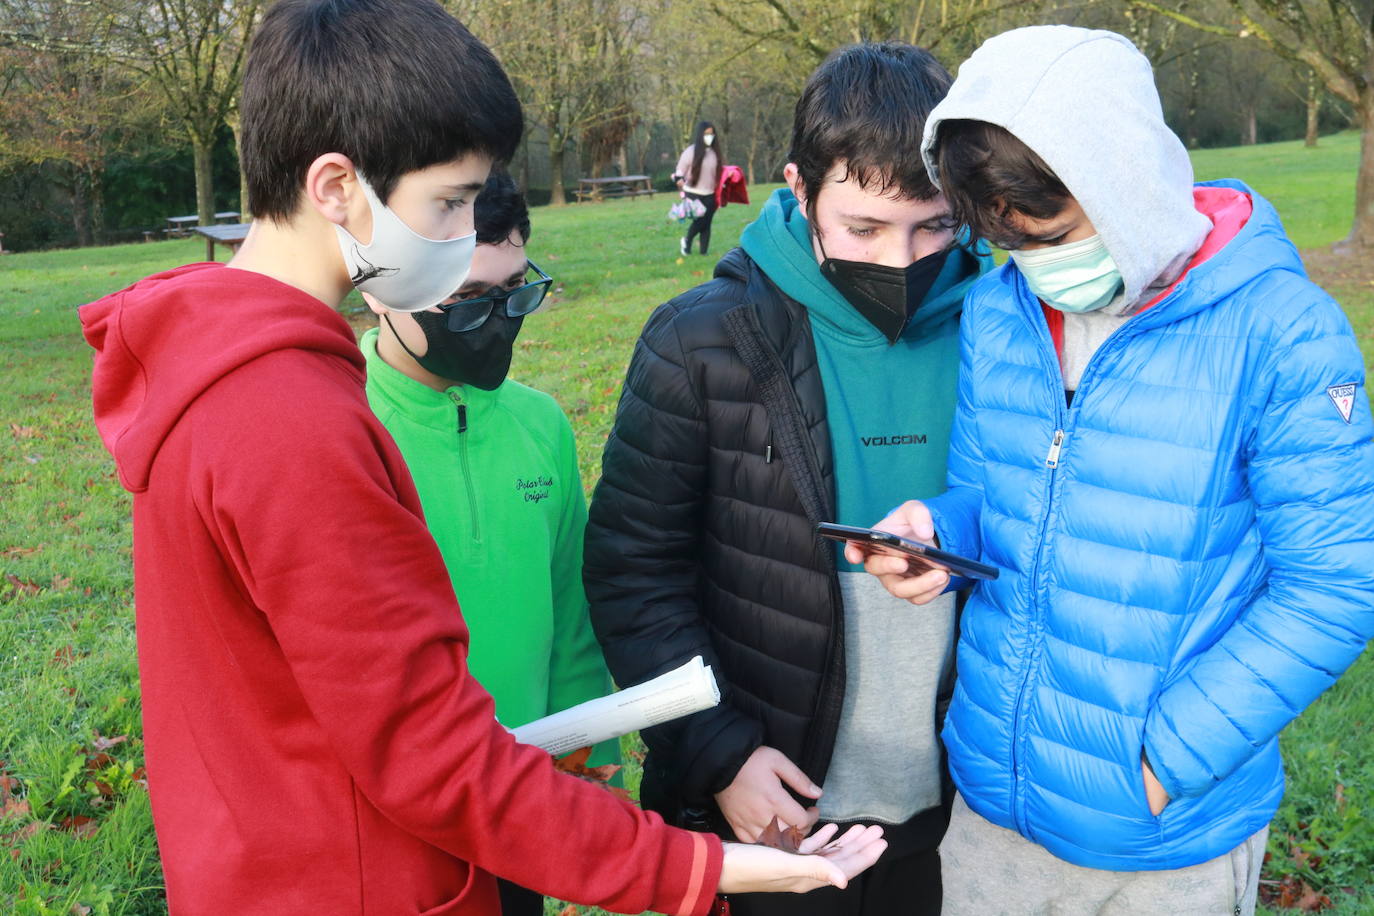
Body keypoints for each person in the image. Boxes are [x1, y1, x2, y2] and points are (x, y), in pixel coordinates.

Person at [77, 2, 888, 913]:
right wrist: (701, 867)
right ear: (336, 186)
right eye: (451, 202)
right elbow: (429, 751)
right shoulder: (286, 420)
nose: (465, 233)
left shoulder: (217, 366)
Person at [852, 25, 1374, 916]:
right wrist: (938, 534)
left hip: (1159, 839)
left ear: (1125, 183)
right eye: (1010, 244)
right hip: (993, 803)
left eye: (1053, 235)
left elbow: (1335, 586)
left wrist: (1163, 761)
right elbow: (990, 500)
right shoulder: (998, 311)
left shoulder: (1283, 332)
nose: (1039, 267)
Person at [585, 42, 993, 916]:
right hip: (770, 815)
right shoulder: (699, 343)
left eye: (934, 226)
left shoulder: (1011, 331)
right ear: (799, 189)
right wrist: (717, 752)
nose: (901, 262)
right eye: (864, 229)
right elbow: (633, 575)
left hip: (965, 812)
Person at [359, 169, 620, 916]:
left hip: (522, 790)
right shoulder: (342, 430)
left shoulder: (541, 425)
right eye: (469, 301)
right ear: (378, 288)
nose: (499, 322)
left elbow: (570, 610)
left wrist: (588, 756)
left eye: (514, 293)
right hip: (392, 812)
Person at [672, 120, 722, 256]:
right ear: (700, 135)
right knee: (700, 221)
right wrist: (679, 180)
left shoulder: (715, 153)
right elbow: (680, 170)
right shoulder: (690, 151)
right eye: (706, 134)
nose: (709, 137)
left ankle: (703, 253)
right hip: (693, 192)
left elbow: (719, 172)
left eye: (712, 134)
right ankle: (687, 241)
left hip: (710, 193)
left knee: (707, 223)